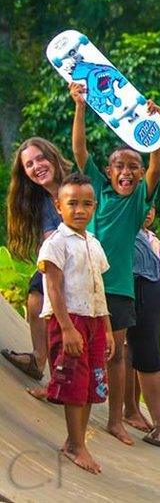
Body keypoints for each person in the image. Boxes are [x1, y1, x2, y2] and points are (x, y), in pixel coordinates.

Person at [69, 81, 160, 446]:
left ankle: (116, 419)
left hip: (120, 287)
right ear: (108, 172)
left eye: (133, 167)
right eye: (119, 166)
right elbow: (80, 150)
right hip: (85, 283)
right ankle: (68, 399)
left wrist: (155, 132)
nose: (126, 172)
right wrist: (80, 106)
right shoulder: (96, 189)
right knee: (78, 346)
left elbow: (156, 165)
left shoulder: (139, 197)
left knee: (117, 352)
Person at [37, 172, 113, 474]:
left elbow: (99, 288)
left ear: (94, 206)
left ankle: (77, 441)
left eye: (86, 204)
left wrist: (106, 328)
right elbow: (53, 287)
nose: (79, 210)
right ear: (58, 206)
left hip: (94, 321)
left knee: (92, 381)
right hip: (69, 320)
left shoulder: (93, 242)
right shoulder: (56, 243)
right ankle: (75, 444)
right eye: (72, 204)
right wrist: (67, 327)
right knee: (74, 381)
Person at [2, 137, 73, 397]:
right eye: (29, 164)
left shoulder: (75, 185)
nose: (37, 166)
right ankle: (38, 358)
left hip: (88, 259)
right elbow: (49, 239)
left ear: (52, 157)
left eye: (40, 158)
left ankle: (64, 380)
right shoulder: (43, 201)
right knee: (35, 296)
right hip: (60, 259)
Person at [125, 206, 160, 447]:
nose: (146, 212)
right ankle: (127, 410)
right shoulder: (113, 214)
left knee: (148, 354)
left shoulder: (153, 241)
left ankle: (159, 424)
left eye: (151, 208)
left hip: (147, 289)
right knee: (122, 353)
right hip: (118, 286)